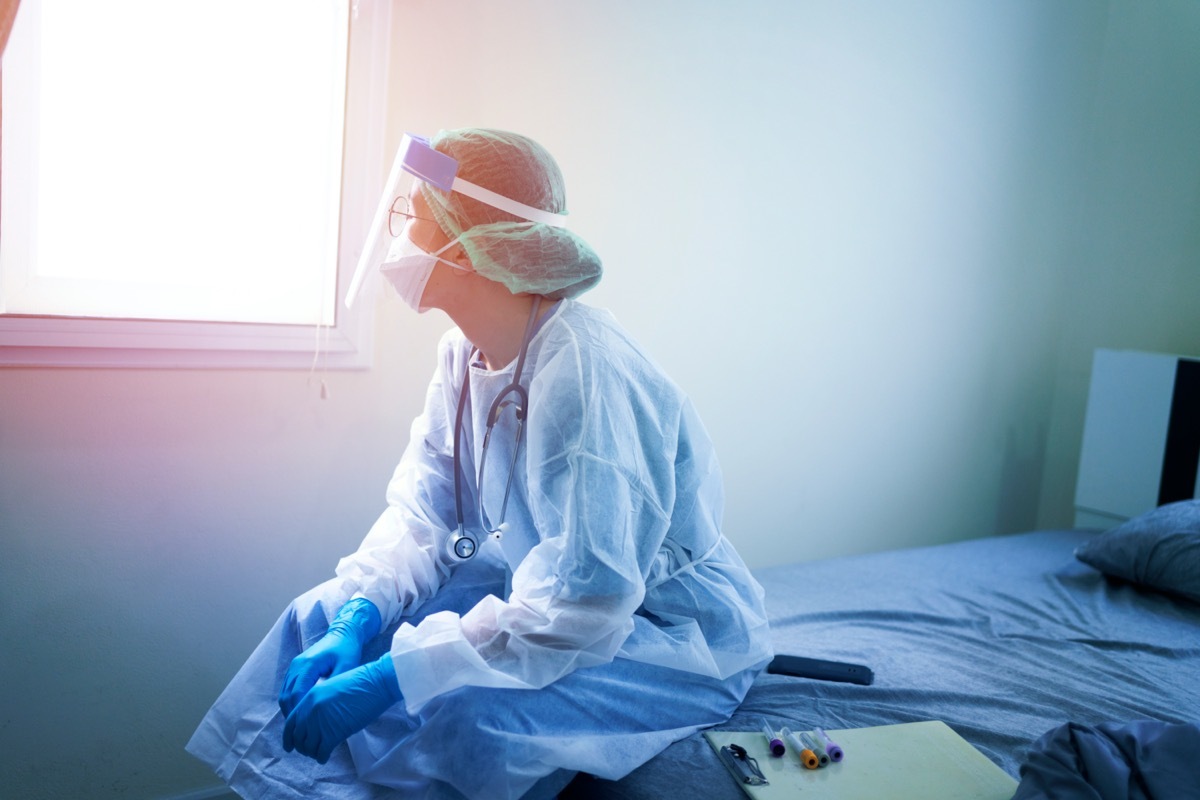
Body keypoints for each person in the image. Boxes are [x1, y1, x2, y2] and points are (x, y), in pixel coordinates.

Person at [187, 128, 772, 800]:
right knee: (316, 618)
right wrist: (360, 617)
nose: (400, 238)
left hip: (661, 631)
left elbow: (584, 605)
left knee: (466, 717)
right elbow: (424, 516)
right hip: (551, 594)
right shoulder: (460, 356)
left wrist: (392, 677)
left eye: (415, 217)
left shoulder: (584, 373)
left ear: (478, 243)